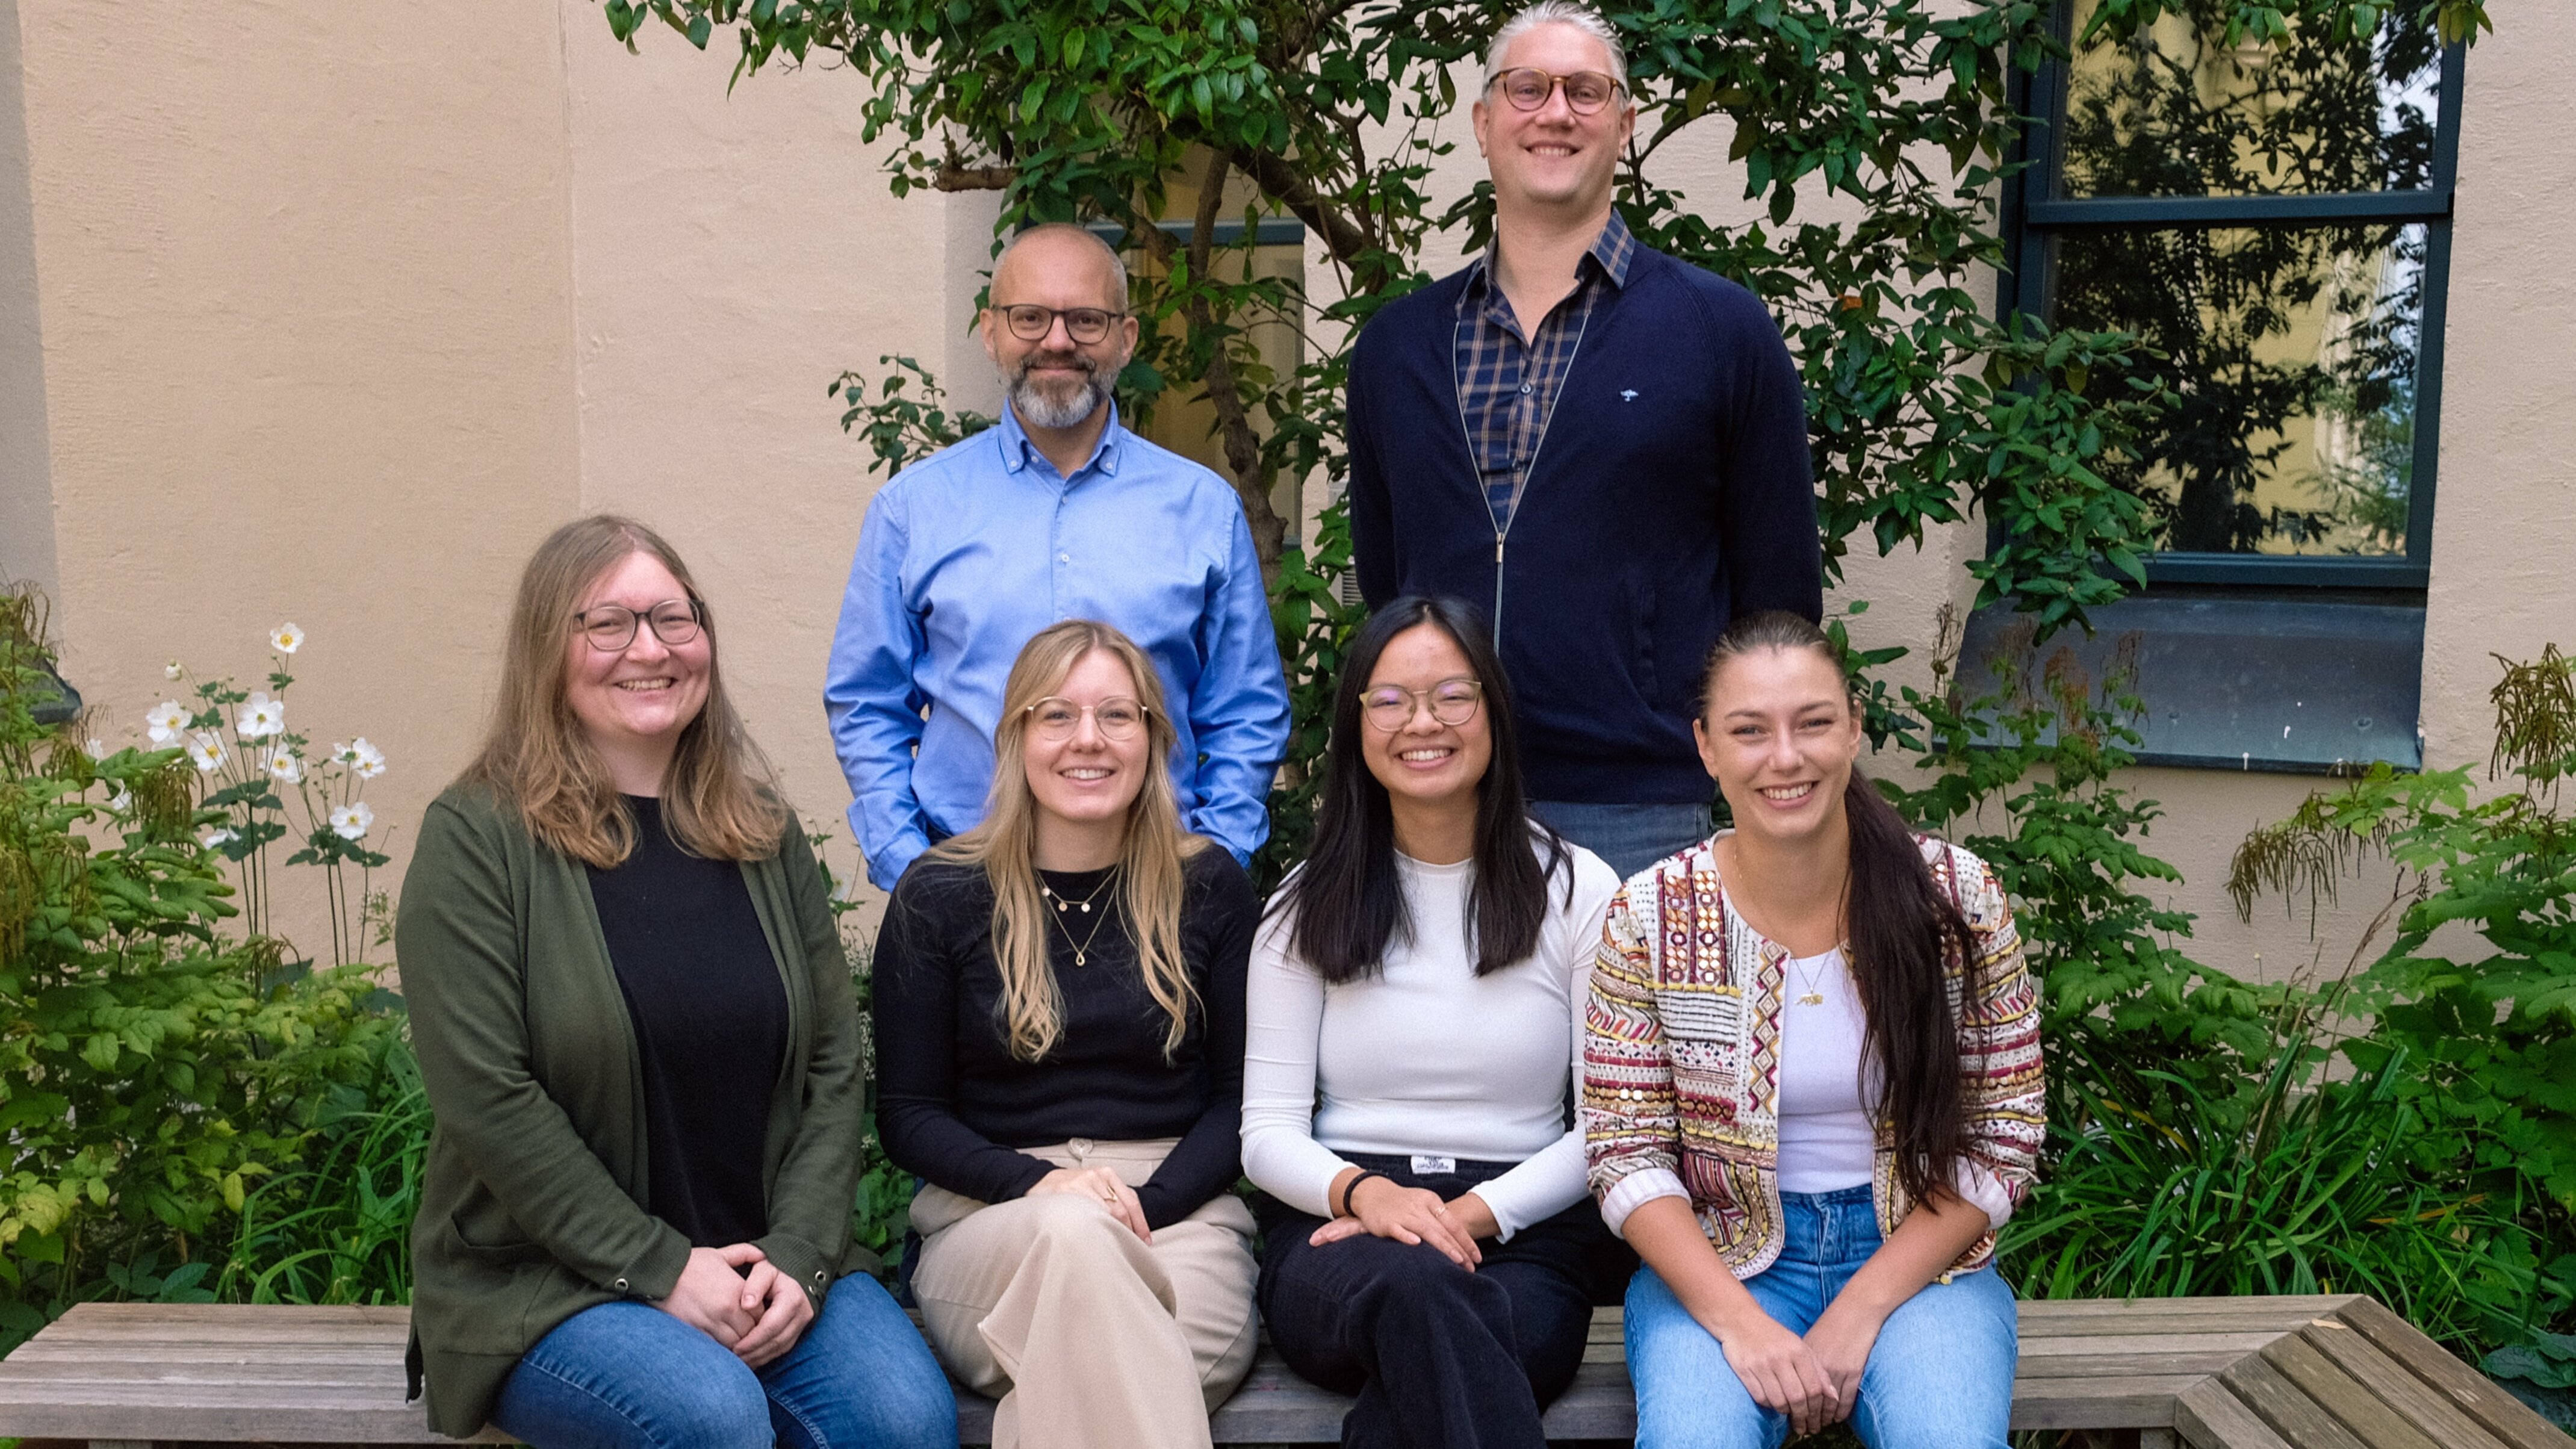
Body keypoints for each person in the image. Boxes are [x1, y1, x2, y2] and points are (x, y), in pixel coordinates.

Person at [397, 515, 956, 1448]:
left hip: (762, 1262)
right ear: (550, 646)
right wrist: (659, 1266)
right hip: (548, 1280)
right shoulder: (476, 840)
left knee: (902, 1420)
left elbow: (830, 1060)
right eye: (606, 623)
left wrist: (800, 1255)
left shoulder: (760, 832)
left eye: (672, 616)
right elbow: (489, 1098)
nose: (648, 648)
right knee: (709, 1417)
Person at [1344, 1, 1823, 881]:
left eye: (1584, 90)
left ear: (1625, 123)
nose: (1554, 112)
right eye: (1525, 88)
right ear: (1485, 123)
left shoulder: (1717, 330)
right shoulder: (1394, 347)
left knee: (1638, 1027)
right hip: (1434, 795)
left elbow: (1778, 601)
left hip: (1636, 805)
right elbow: (1388, 580)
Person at [1580, 610, 2046, 1449]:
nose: (1784, 756)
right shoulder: (1648, 913)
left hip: (1921, 1263)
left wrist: (1861, 1304)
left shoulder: (1953, 897)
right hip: (1721, 1260)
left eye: (1813, 722)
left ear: (1854, 727)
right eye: (1748, 730)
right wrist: (1737, 1321)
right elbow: (1625, 1151)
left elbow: (2003, 1134)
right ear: (1705, 747)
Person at [1241, 595, 1627, 1449]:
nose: (1422, 721)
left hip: (1521, 1233)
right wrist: (1367, 1195)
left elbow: (1610, 1124)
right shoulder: (1302, 904)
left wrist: (1473, 1215)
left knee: (1446, 1334)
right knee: (1423, 1293)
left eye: (1452, 694)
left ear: (1493, 709)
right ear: (1355, 723)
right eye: (1389, 698)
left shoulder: (1578, 889)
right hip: (1338, 1229)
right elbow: (1265, 1133)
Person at [872, 618, 1264, 1449]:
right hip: (993, 1220)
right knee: (1105, 1323)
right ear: (1014, 736)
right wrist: (1042, 1187)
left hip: (1179, 1217)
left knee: (1083, 1368)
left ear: (1154, 737)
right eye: (1055, 714)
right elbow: (908, 1115)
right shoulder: (938, 893)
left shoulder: (1210, 886)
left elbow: (1240, 1103)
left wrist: (1141, 1208)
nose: (1087, 739)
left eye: (1116, 715)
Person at [827, 221, 1290, 892]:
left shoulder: (1202, 509)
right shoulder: (913, 511)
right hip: (966, 883)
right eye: (1030, 317)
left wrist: (1213, 863)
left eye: (1085, 319)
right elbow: (866, 702)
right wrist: (909, 867)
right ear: (991, 333)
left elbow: (1245, 708)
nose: (1056, 340)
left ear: (1125, 339)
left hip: (1156, 887)